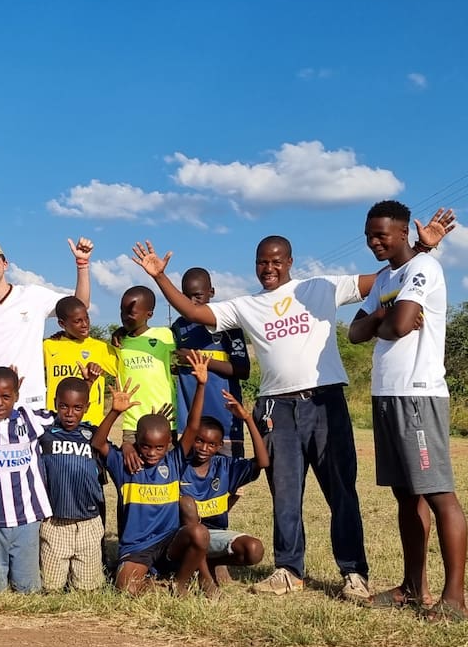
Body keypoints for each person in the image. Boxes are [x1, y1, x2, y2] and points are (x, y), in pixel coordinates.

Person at [129, 213, 454, 600]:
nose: (268, 268)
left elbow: (384, 275)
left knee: (341, 491)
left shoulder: (321, 288)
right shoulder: (247, 306)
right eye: (261, 262)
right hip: (275, 408)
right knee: (284, 494)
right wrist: (159, 277)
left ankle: (353, 572)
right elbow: (198, 312)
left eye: (275, 261)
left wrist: (422, 247)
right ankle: (288, 570)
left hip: (324, 400)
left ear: (289, 263)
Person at [348, 200, 466, 619]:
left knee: (438, 494)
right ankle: (413, 587)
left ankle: (454, 597)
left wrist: (389, 320)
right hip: (386, 394)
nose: (375, 242)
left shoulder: (423, 269)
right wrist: (386, 313)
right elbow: (358, 331)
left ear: (402, 234)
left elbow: (400, 327)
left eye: (382, 235)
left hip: (418, 395)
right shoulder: (385, 278)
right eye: (369, 236)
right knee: (405, 495)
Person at [91, 372, 211, 597]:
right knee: (126, 589)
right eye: (146, 446)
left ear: (168, 444)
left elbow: (193, 427)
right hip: (137, 547)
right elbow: (98, 443)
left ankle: (181, 583)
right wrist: (115, 411)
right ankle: (156, 583)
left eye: (159, 447)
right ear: (136, 441)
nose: (152, 453)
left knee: (200, 533)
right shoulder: (125, 464)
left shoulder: (174, 461)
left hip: (169, 541)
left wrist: (201, 385)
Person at [0, 238, 92, 412]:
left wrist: (82, 264)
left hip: (31, 402)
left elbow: (79, 306)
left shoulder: (33, 295)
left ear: (5, 264)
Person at [178, 381, 270, 592]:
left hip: (214, 535)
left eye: (211, 444)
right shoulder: (179, 464)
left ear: (219, 446)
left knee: (254, 550)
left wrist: (247, 418)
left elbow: (263, 462)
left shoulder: (225, 466)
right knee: (187, 505)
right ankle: (204, 577)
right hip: (182, 538)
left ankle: (211, 563)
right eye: (199, 441)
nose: (203, 448)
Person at [0, 367, 53, 593]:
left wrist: (87, 383)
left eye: (6, 396)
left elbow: (68, 413)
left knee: (27, 589)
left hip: (26, 519)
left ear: (16, 396)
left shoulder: (31, 419)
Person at [171, 268, 250, 457]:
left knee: (229, 478)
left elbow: (243, 370)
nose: (192, 302)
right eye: (186, 296)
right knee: (188, 481)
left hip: (225, 420)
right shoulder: (178, 327)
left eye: (198, 296)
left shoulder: (229, 325)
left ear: (211, 292)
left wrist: (199, 360)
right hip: (189, 423)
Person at [37, 377, 106, 593]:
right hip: (55, 523)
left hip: (87, 523)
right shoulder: (44, 435)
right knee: (51, 588)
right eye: (64, 406)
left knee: (88, 591)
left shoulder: (92, 436)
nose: (69, 413)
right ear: (55, 402)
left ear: (86, 407)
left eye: (77, 407)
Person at [114, 286, 177, 444]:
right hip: (132, 423)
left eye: (131, 313)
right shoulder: (119, 343)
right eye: (122, 311)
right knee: (132, 467)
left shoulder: (165, 336)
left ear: (149, 314)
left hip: (164, 418)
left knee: (166, 467)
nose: (125, 317)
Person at [42, 295, 116, 414]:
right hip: (57, 421)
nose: (85, 324)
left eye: (87, 318)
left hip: (91, 422)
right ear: (62, 323)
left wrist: (122, 335)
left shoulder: (100, 348)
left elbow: (125, 369)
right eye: (78, 321)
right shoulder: (49, 346)